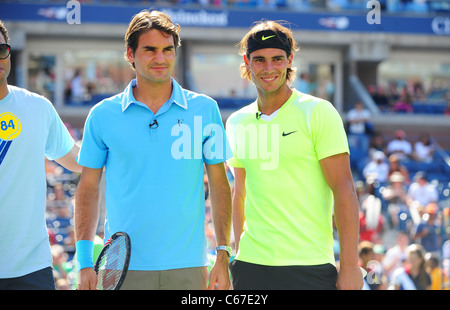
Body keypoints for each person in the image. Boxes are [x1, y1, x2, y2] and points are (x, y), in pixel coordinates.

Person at [74, 10, 232, 290]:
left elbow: (220, 185)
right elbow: (88, 188)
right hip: (123, 268)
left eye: (167, 50)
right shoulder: (102, 115)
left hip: (190, 267)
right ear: (130, 53)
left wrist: (222, 252)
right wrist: (85, 261)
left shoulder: (206, 109)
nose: (161, 58)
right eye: (150, 50)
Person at [225, 20, 362, 290]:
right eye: (259, 59)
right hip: (250, 266)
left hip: (309, 266)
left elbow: (344, 190)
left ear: (289, 60)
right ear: (247, 61)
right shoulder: (236, 122)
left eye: (277, 59)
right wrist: (239, 253)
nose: (268, 68)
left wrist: (349, 266)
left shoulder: (318, 112)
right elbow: (239, 192)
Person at [0, 20, 81, 290]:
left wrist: (117, 148)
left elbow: (75, 159)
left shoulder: (37, 107)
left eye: (2, 49)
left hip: (31, 268)